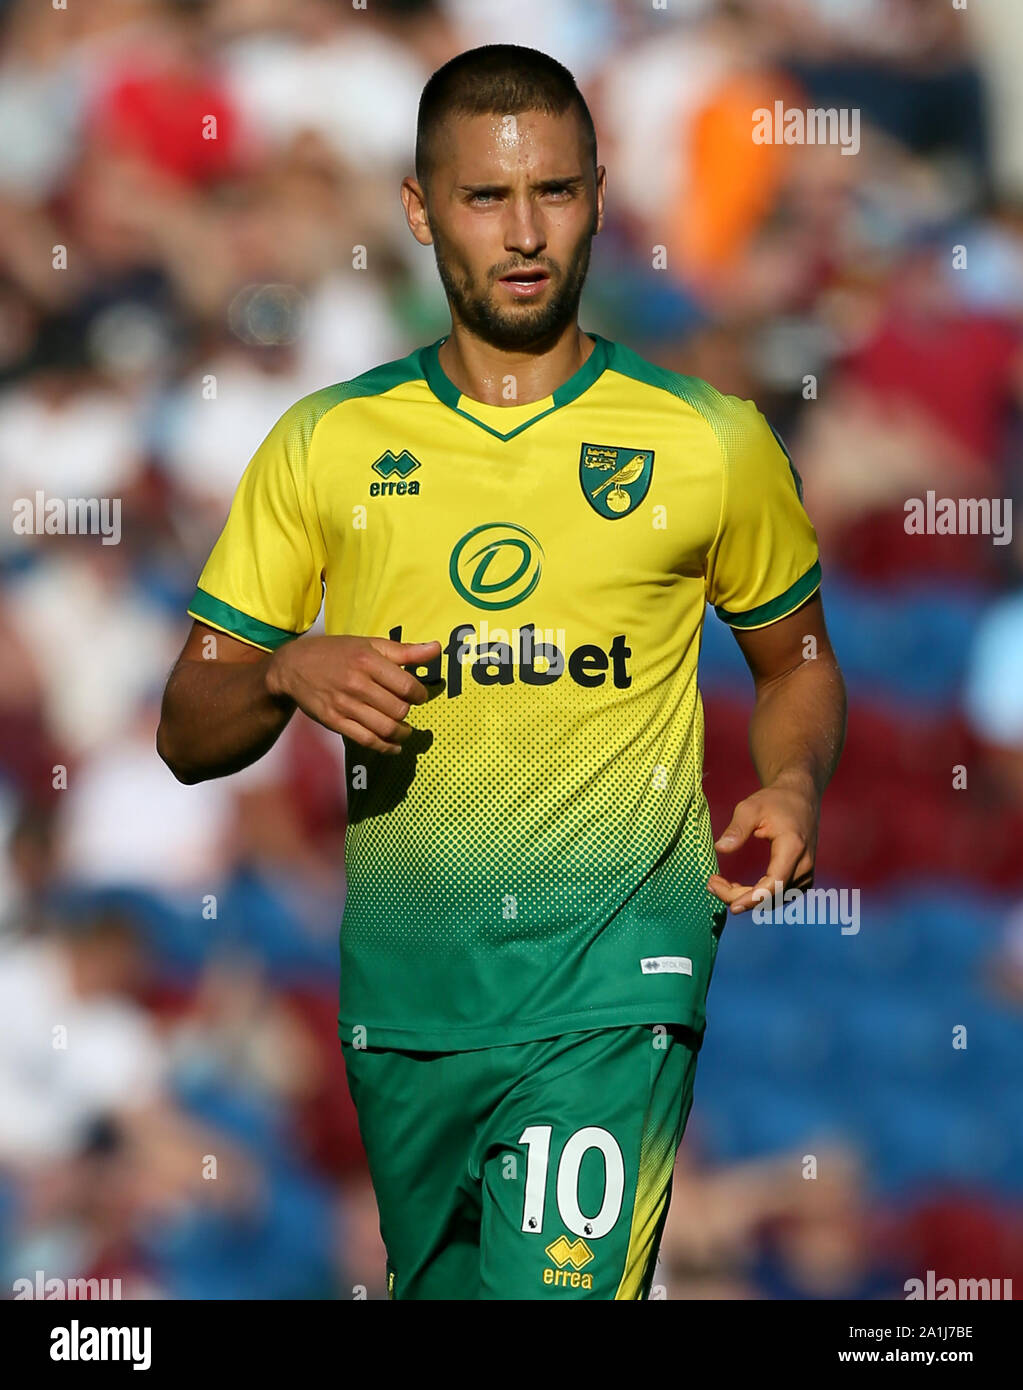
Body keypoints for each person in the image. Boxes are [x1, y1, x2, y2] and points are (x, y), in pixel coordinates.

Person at [157, 44, 846, 1301]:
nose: (526, 233)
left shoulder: (708, 441)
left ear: (599, 191)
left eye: (558, 192)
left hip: (611, 983)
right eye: (486, 197)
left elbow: (797, 661)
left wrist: (791, 781)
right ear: (421, 211)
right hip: (408, 1002)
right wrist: (287, 670)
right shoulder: (326, 445)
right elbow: (186, 728)